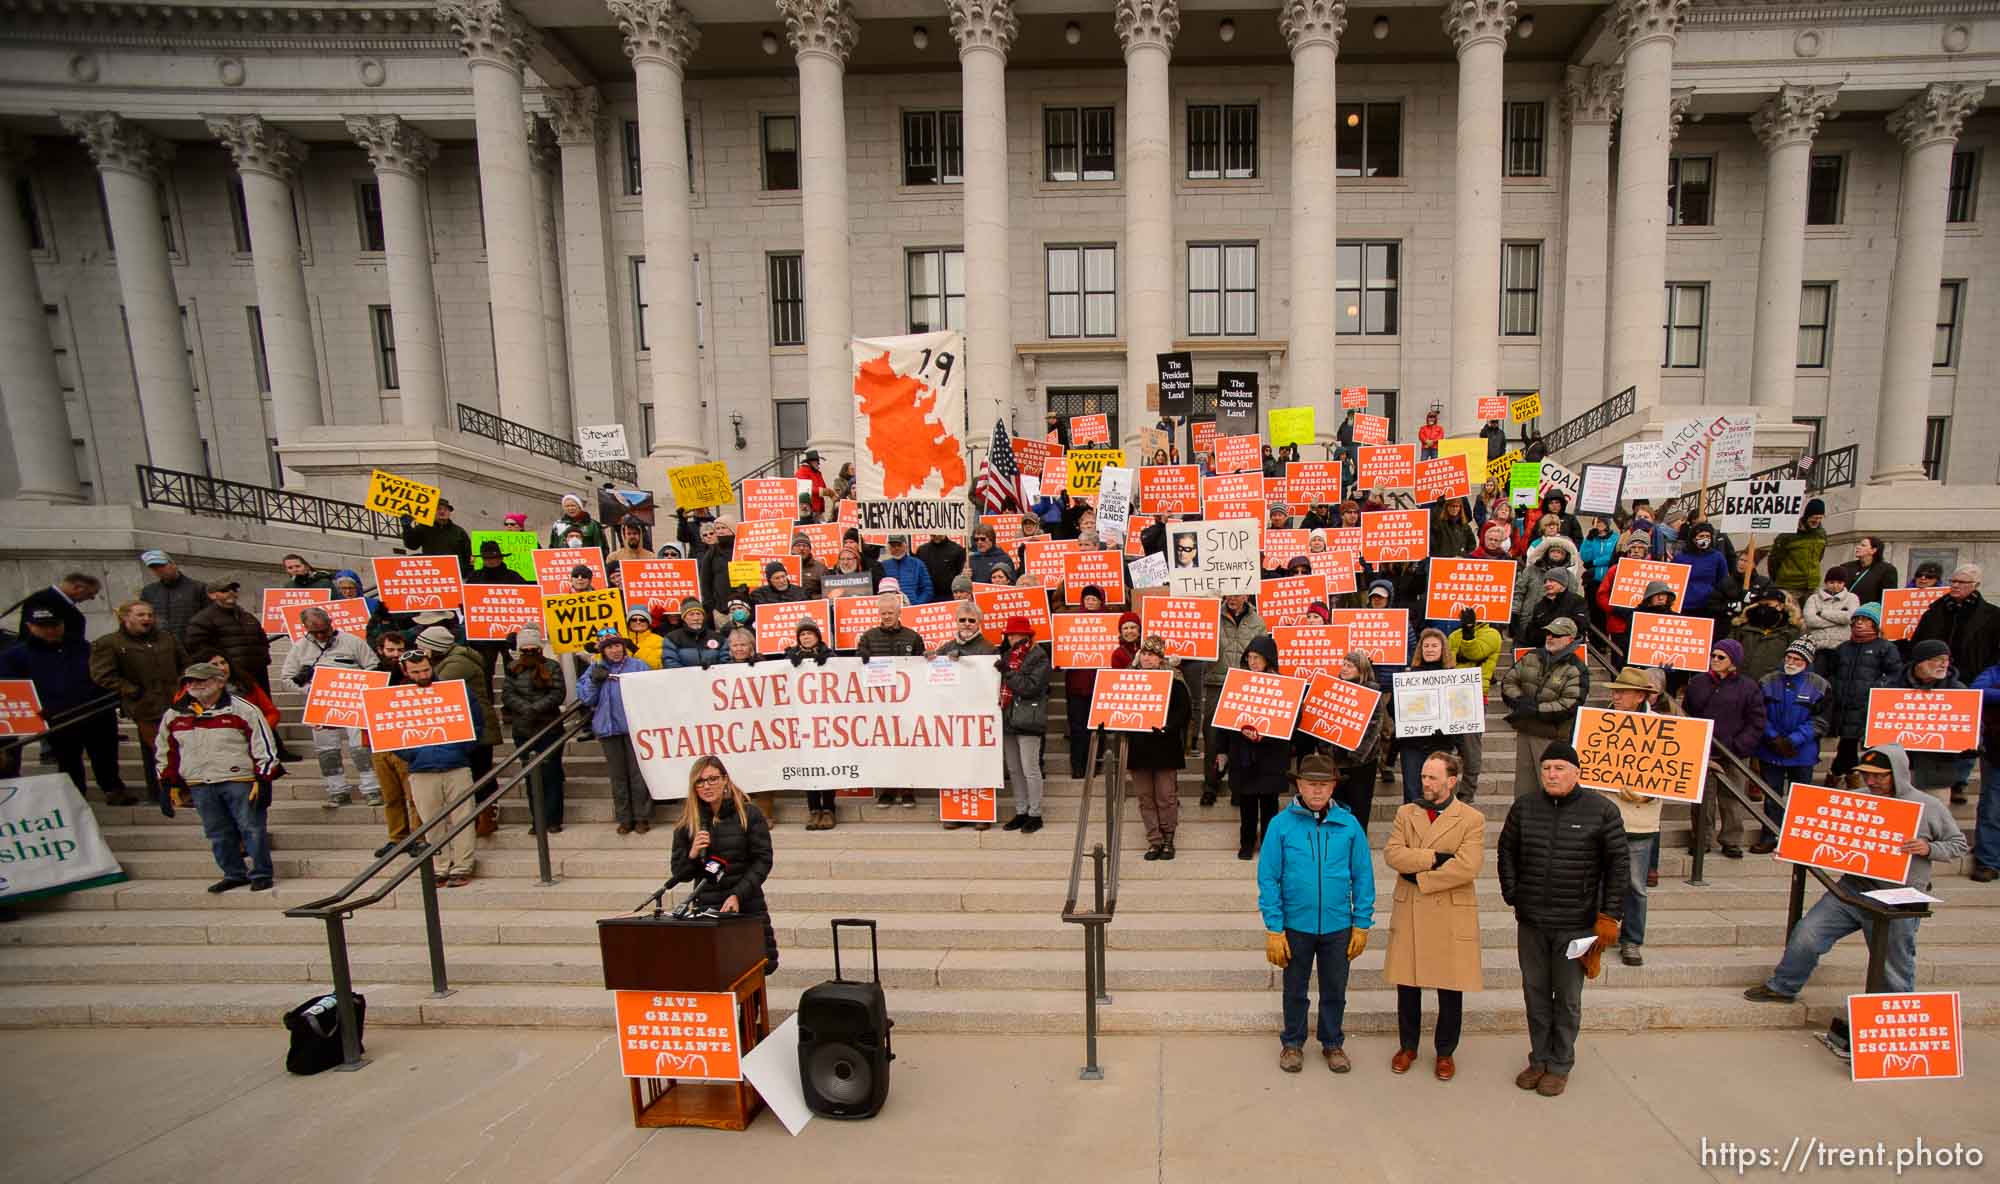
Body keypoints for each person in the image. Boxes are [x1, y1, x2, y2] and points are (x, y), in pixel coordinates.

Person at [1744, 745, 1966, 1060]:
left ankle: (1893, 1024)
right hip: (1852, 889)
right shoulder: (1857, 799)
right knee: (1808, 933)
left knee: (1894, 964)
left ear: (1898, 774)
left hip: (1898, 899)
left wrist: (1928, 849)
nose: (1871, 781)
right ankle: (1783, 986)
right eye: (1866, 774)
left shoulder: (1928, 806)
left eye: (1879, 776)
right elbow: (1823, 832)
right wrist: (1794, 847)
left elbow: (1958, 844)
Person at [1499, 741, 1627, 1098]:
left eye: (1559, 768)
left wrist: (1610, 916)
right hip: (1533, 922)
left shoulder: (1602, 811)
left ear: (1577, 772)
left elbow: (1618, 866)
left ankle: (1560, 1064)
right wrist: (1514, 892)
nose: (1551, 774)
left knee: (1568, 997)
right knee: (1535, 992)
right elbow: (1506, 850)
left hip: (1577, 925)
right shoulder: (1525, 807)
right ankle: (1538, 1058)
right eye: (1546, 768)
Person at [1258, 752, 1375, 1075]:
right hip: (1296, 924)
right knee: (1294, 989)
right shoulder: (1280, 826)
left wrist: (1361, 923)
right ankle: (1292, 1043)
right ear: (1298, 784)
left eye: (1324, 785)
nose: (1317, 792)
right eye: (1311, 784)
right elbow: (1268, 877)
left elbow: (1363, 875)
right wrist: (1274, 927)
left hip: (1338, 925)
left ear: (1334, 786)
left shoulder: (1349, 825)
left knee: (1335, 989)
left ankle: (1332, 1042)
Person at [1383, 751, 1484, 1080]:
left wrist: (1421, 876)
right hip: (1410, 909)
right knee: (1407, 984)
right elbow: (1393, 854)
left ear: (1451, 781)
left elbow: (1468, 866)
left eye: (1432, 777)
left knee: (1450, 986)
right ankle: (1408, 1045)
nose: (1424, 782)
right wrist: (1437, 858)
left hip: (1448, 912)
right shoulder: (1405, 813)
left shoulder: (1471, 818)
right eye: (1423, 776)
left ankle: (1445, 1051)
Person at [155, 661, 284, 892]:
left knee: (252, 828)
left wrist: (264, 779)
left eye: (201, 680)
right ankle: (234, 873)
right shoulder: (174, 714)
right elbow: (165, 750)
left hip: (239, 780)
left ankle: (261, 873)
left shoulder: (243, 709)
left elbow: (263, 745)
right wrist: (166, 783)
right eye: (190, 681)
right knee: (216, 832)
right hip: (199, 782)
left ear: (219, 682)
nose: (195, 685)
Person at [2, 606, 129, 803]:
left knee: (105, 754)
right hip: (57, 717)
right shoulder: (16, 655)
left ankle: (113, 788)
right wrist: (35, 711)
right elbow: (12, 689)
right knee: (68, 760)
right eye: (43, 626)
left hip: (96, 712)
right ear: (30, 627)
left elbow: (105, 674)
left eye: (54, 625)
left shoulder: (85, 647)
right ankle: (75, 797)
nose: (50, 630)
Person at [1593, 667, 1665, 967]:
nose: (1616, 695)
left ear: (1640, 696)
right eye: (1614, 690)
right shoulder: (1598, 723)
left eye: (1622, 691)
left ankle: (1632, 940)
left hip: (1640, 820)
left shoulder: (1663, 727)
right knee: (1597, 881)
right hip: (1605, 817)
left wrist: (1647, 791)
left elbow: (1674, 775)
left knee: (1635, 885)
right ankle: (1597, 934)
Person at [397, 649, 484, 887]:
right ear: (405, 672)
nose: (422, 675)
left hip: (455, 763)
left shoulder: (455, 691)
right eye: (415, 672)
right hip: (421, 767)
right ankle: (440, 865)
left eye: (426, 669)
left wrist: (462, 747)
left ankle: (463, 865)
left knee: (463, 817)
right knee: (431, 821)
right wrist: (410, 754)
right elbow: (391, 733)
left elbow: (477, 722)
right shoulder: (398, 698)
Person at [281, 605, 381, 809]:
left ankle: (371, 788)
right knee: (327, 750)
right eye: (315, 632)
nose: (320, 635)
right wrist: (310, 690)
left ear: (331, 624)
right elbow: (286, 678)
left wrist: (358, 684)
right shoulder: (300, 647)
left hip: (353, 700)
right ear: (305, 629)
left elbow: (372, 665)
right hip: (320, 703)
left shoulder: (352, 641)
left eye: (324, 630)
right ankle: (337, 790)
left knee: (360, 747)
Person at [89, 599, 188, 806]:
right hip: (145, 706)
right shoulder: (110, 643)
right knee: (162, 750)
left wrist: (183, 685)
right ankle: (171, 792)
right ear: (125, 618)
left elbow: (184, 664)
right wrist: (131, 690)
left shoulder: (167, 638)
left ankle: (183, 790)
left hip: (175, 703)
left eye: (150, 615)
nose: (147, 619)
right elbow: (103, 675)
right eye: (141, 615)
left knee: (182, 747)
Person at [1685, 638, 1766, 858]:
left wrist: (1739, 745)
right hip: (1705, 749)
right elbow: (1688, 714)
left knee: (1732, 799)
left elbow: (1757, 721)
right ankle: (1701, 838)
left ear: (1734, 661)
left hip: (1734, 752)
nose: (1715, 660)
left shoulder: (1748, 687)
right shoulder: (1698, 683)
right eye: (1713, 655)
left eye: (1721, 657)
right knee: (1703, 799)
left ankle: (1731, 840)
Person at [419, 625, 502, 833]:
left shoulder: (457, 663)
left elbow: (436, 688)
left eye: (422, 648)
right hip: (472, 726)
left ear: (434, 648)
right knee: (479, 772)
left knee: (480, 773)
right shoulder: (450, 660)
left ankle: (486, 816)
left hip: (477, 727)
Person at [1753, 639, 1831, 854]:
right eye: (1788, 657)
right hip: (1771, 749)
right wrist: (1773, 737)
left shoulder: (1820, 685)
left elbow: (1821, 720)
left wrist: (1794, 740)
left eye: (1797, 659)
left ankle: (1798, 839)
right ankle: (1769, 835)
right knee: (1772, 797)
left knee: (1802, 800)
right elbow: (1759, 713)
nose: (1791, 662)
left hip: (1802, 752)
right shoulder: (1767, 681)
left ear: (1807, 661)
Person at [1501, 616, 1589, 797]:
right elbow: (1508, 681)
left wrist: (1536, 710)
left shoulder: (1576, 668)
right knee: (1523, 790)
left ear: (1570, 639)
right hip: (1525, 730)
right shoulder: (1531, 656)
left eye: (1556, 634)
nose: (1550, 637)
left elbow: (1570, 704)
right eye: (1549, 633)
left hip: (1552, 737)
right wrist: (1519, 701)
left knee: (1550, 789)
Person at [578, 625, 653, 835]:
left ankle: (642, 816)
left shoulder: (639, 666)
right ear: (603, 651)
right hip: (608, 729)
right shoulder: (594, 669)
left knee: (638, 774)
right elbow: (586, 698)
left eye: (618, 645)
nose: (615, 650)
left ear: (624, 646)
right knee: (618, 776)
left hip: (635, 728)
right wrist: (594, 681)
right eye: (609, 647)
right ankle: (624, 818)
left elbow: (652, 693)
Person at [1122, 635, 1190, 860]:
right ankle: (1154, 840)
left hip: (1165, 746)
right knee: (1145, 797)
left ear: (1161, 658)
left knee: (1165, 796)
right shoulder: (1129, 680)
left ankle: (1168, 837)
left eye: (1151, 654)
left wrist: (1168, 727)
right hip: (1139, 747)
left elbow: (1183, 711)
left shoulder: (1175, 680)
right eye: (1144, 653)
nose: (1146, 658)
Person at [1224, 636, 1291, 860]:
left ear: (1268, 659)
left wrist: (1264, 736)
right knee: (1247, 803)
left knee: (1270, 806)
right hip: (1243, 755)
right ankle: (1246, 843)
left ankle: (1269, 845)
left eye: (1257, 658)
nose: (1252, 662)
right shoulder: (1238, 681)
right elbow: (1226, 715)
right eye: (1250, 657)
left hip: (1270, 756)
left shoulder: (1283, 685)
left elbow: (1290, 721)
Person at [1881, 639, 1973, 802]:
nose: (1944, 664)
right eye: (1938, 659)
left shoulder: (1957, 691)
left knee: (1935, 823)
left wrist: (1971, 743)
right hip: (1897, 772)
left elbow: (1972, 727)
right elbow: (1872, 723)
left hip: (1937, 774)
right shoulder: (1891, 688)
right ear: (1920, 662)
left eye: (1947, 660)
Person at [502, 628, 568, 835]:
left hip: (548, 727)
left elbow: (558, 693)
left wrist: (535, 709)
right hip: (524, 729)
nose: (530, 651)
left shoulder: (552, 667)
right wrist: (525, 709)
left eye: (533, 648)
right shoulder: (512, 668)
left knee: (551, 774)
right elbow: (507, 694)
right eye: (525, 648)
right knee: (531, 776)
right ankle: (537, 819)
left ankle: (553, 818)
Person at [1203, 594, 1266, 806]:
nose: (1232, 598)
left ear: (1246, 595)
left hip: (1244, 686)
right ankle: (1210, 784)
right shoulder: (1210, 614)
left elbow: (1263, 650)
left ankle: (1238, 788)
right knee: (1212, 738)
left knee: (1240, 739)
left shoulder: (1257, 621)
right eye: (1228, 593)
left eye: (1237, 593)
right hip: (1216, 683)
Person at [365, 632, 424, 858]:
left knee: (413, 796)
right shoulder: (373, 676)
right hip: (380, 743)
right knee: (391, 796)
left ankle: (419, 837)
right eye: (391, 650)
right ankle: (397, 838)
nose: (396, 654)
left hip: (407, 742)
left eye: (400, 650)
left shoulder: (411, 677)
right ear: (381, 650)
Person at [1826, 604, 1902, 780]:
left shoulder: (1885, 647)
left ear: (1875, 625)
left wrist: (1877, 687)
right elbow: (1831, 672)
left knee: (1851, 744)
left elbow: (1895, 673)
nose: (1859, 623)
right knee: (1846, 743)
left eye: (1865, 620)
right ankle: (1846, 775)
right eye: (1857, 620)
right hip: (1843, 705)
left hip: (1867, 705)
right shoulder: (1843, 648)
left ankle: (1839, 775)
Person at [1393, 629, 1462, 805]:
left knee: (1438, 791)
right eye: (1426, 646)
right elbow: (1394, 708)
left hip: (1441, 743)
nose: (1430, 649)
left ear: (1443, 649)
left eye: (1434, 646)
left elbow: (1460, 709)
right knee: (1412, 792)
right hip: (1412, 744)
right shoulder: (1408, 676)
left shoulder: (1454, 677)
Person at [786, 620, 841, 830]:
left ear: (818, 636)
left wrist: (830, 662)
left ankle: (828, 809)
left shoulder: (829, 655)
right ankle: (813, 810)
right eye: (802, 635)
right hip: (802, 721)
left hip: (825, 720)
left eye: (810, 634)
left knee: (826, 765)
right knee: (808, 766)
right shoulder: (790, 658)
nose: (806, 637)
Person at [997, 616, 1049, 833]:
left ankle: (1035, 813)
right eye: (1008, 634)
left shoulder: (1039, 656)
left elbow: (1030, 687)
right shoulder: (1008, 655)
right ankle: (1021, 810)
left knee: (1030, 768)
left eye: (1014, 634)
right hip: (1009, 715)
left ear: (1026, 635)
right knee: (1015, 769)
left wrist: (1007, 673)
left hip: (1028, 717)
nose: (1010, 638)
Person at [1445, 607, 1500, 800]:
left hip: (1474, 695)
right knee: (1445, 746)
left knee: (1469, 748)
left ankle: (1467, 793)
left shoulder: (1492, 634)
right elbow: (1449, 661)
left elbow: (1475, 653)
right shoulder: (1453, 634)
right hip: (1451, 694)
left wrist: (1468, 633)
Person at [1911, 563, 2000, 681]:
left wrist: (1984, 677)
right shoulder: (1934, 611)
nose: (1955, 585)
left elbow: (1995, 652)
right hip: (1931, 677)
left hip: (1973, 679)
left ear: (1976, 585)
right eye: (1952, 581)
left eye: (1961, 582)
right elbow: (1917, 643)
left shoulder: (1993, 615)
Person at [185, 580, 273, 693]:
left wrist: (264, 660)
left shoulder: (247, 617)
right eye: (224, 590)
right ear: (212, 595)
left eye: (234, 590)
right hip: (228, 678)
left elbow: (262, 641)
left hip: (258, 676)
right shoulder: (202, 619)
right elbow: (197, 650)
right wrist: (224, 667)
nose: (231, 593)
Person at [1729, 583, 1802, 682]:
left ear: (1780, 606)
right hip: (1740, 683)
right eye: (1761, 605)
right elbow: (1727, 651)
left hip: (1772, 686)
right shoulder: (1743, 628)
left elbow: (1797, 661)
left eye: (1768, 605)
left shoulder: (1791, 632)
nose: (1763, 609)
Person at [1764, 498, 1828, 604]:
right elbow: (1774, 560)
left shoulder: (1821, 534)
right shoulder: (1788, 534)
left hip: (1812, 586)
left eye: (1820, 518)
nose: (1817, 521)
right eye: (1814, 517)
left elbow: (1819, 557)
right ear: (1807, 515)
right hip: (1789, 587)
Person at [138, 550, 208, 646]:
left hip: (193, 647)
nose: (159, 570)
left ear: (173, 564)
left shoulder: (198, 588)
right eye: (154, 568)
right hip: (161, 648)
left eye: (162, 565)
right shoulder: (148, 591)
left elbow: (210, 619)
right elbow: (143, 620)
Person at [1674, 521, 1734, 624]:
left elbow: (1723, 582)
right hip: (1686, 607)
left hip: (1709, 606)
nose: (1705, 539)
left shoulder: (1717, 557)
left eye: (1708, 536)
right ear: (1693, 538)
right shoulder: (1680, 557)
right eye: (1701, 536)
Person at [1520, 567, 1590, 653]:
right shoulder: (1540, 605)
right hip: (1545, 651)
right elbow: (1532, 631)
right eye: (1545, 581)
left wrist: (1552, 627)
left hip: (1571, 651)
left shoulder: (1577, 601)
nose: (1547, 584)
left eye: (1551, 581)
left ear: (1562, 584)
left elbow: (1582, 623)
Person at [401, 498, 473, 575]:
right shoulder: (423, 528)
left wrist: (463, 571)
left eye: (446, 509)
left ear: (449, 513)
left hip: (453, 574)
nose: (442, 511)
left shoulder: (459, 532)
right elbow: (412, 545)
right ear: (433, 512)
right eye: (438, 509)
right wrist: (407, 527)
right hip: (432, 574)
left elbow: (468, 555)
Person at [1800, 566, 1858, 659]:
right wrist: (1839, 619)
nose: (1835, 586)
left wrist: (1822, 613)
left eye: (1839, 582)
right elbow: (1811, 621)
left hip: (1843, 646)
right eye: (1831, 582)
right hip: (1817, 646)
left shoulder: (1852, 598)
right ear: (1826, 583)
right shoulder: (1813, 598)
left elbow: (1850, 618)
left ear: (1844, 583)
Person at [665, 598, 726, 668]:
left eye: (698, 614)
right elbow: (670, 662)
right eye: (691, 614)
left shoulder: (718, 637)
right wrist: (693, 674)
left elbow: (725, 660)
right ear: (684, 618)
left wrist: (711, 670)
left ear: (703, 617)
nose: (696, 618)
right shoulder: (672, 638)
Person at [874, 535, 935, 605]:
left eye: (899, 545)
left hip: (912, 607)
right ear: (889, 548)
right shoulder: (883, 565)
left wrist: (917, 604)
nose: (896, 548)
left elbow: (927, 589)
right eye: (893, 546)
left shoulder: (917, 564)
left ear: (905, 546)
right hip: (891, 607)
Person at [1847, 535, 1898, 608]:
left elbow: (1887, 598)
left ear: (1873, 550)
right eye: (1859, 544)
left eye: (1863, 545)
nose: (1858, 547)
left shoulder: (1887, 570)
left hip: (1869, 613)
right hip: (1844, 612)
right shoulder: (1847, 567)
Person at [917, 532, 967, 603]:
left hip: (950, 596)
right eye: (933, 534)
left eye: (939, 533)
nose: (936, 535)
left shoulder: (957, 550)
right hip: (928, 597)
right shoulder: (922, 550)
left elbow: (960, 574)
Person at [795, 448, 828, 516]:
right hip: (807, 510)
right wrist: (824, 491)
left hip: (818, 510)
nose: (818, 463)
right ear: (810, 462)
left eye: (818, 461)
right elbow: (806, 489)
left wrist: (827, 491)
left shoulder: (818, 473)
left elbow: (823, 487)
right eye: (816, 461)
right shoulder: (801, 472)